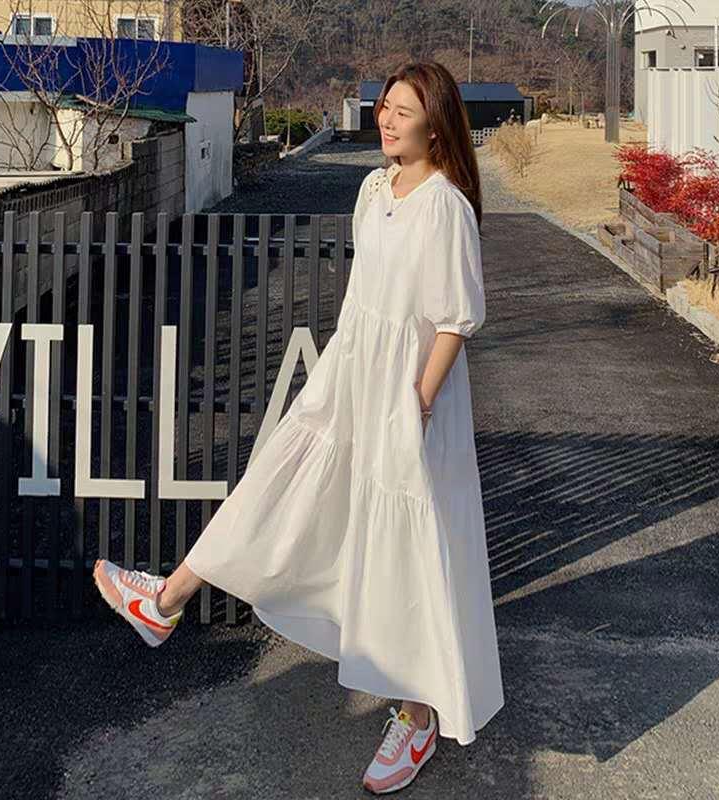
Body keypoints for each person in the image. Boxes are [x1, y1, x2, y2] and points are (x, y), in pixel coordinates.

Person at [93, 60, 504, 795]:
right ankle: (165, 601)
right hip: (350, 372)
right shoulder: (374, 189)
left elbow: (454, 321)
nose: (386, 120)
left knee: (405, 544)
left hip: (409, 393)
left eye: (403, 112)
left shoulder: (444, 205)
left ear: (436, 125)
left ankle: (417, 716)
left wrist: (416, 403)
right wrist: (345, 374)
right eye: (384, 106)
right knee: (278, 480)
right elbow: (366, 297)